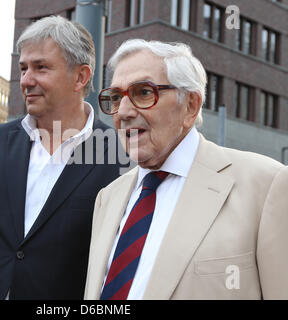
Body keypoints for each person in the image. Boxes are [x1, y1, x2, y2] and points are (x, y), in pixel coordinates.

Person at [0, 16, 123, 300]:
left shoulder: (117, 154)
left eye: (41, 68)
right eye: (23, 68)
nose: (26, 80)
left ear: (81, 77)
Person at [84, 39, 288, 300]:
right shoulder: (108, 197)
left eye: (143, 93)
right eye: (115, 97)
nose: (122, 112)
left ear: (190, 105)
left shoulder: (267, 185)